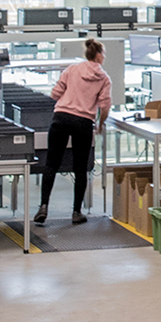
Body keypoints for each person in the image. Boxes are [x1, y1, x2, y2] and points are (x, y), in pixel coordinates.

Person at [36, 38, 113, 225]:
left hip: (61, 118)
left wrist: (69, 99)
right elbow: (105, 107)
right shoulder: (104, 78)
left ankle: (43, 207)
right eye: (103, 54)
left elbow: (55, 93)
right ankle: (76, 212)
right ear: (98, 55)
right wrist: (100, 124)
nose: (104, 57)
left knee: (51, 164)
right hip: (83, 122)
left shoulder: (72, 69)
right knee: (80, 168)